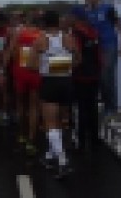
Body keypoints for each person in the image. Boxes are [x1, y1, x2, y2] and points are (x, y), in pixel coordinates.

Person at [76, 0, 121, 117]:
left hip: (109, 46)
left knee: (107, 77)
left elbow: (120, 26)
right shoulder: (86, 12)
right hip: (95, 49)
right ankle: (105, 106)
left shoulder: (108, 9)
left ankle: (111, 107)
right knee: (98, 77)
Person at [38, 11, 77, 179]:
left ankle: (62, 162)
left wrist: (46, 63)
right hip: (66, 81)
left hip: (50, 82)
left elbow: (31, 64)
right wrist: (63, 63)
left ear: (44, 24)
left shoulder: (41, 39)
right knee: (61, 120)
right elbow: (78, 59)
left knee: (50, 122)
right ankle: (50, 154)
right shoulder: (68, 38)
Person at [4, 15, 44, 156]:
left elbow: (9, 52)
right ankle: (31, 140)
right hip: (35, 72)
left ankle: (21, 134)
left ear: (27, 23)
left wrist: (2, 70)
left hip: (21, 71)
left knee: (21, 104)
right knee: (34, 106)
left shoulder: (19, 33)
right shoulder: (42, 35)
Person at [70, 13, 102, 154]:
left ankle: (81, 142)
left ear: (77, 19)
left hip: (81, 76)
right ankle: (94, 139)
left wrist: (67, 69)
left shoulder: (76, 34)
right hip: (94, 75)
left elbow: (77, 57)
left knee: (81, 109)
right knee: (93, 107)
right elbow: (99, 55)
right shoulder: (94, 33)